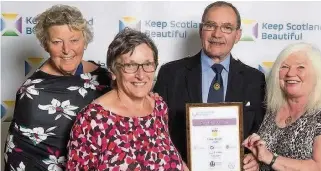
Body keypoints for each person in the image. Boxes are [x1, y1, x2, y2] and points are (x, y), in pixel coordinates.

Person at [153, 1, 265, 170]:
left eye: (227, 27)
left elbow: (261, 131)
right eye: (210, 25)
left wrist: (255, 158)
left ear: (238, 35)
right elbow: (156, 130)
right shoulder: (171, 74)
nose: (217, 34)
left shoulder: (254, 79)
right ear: (200, 30)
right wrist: (173, 161)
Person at [3, 5, 111, 170]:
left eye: (74, 40)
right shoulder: (33, 92)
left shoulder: (104, 78)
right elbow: (20, 155)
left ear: (85, 42)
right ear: (46, 45)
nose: (67, 50)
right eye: (57, 42)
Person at [66, 28, 189, 171]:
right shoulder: (91, 120)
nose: (141, 75)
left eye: (147, 64)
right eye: (130, 65)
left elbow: (172, 160)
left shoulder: (159, 107)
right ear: (113, 71)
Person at [242, 42, 321, 171]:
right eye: (285, 67)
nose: (290, 73)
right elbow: (264, 156)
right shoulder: (271, 109)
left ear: (317, 73)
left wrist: (271, 158)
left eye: (301, 67)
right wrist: (255, 160)